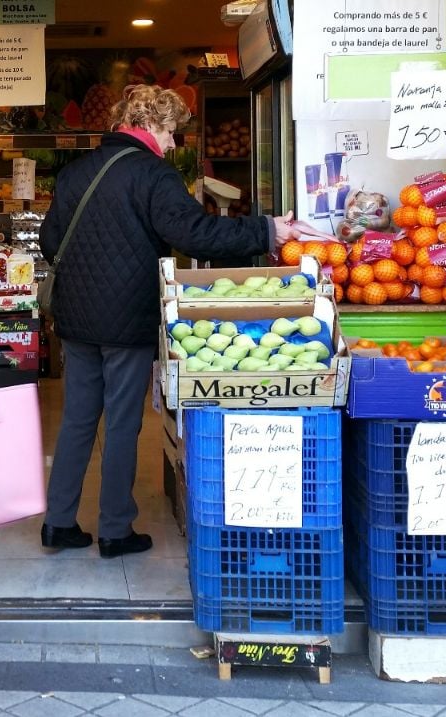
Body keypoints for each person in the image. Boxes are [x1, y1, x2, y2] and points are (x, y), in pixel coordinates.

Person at [39, 84, 298, 558]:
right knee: (120, 423)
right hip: (126, 318)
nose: (175, 143)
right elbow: (194, 233)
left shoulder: (76, 174)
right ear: (151, 125)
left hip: (76, 319)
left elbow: (49, 242)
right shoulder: (153, 176)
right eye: (172, 132)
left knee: (78, 419)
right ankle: (115, 530)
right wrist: (265, 229)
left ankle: (58, 522)